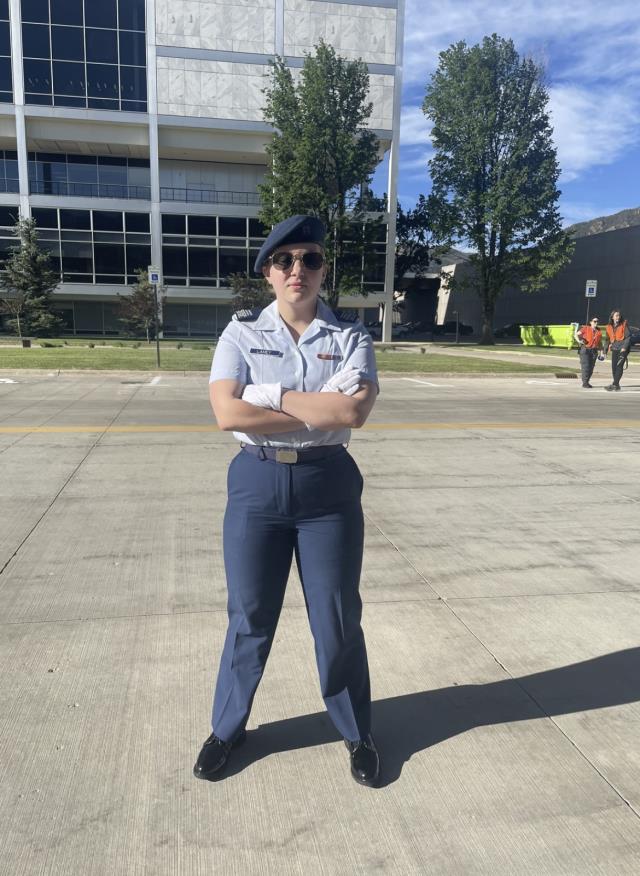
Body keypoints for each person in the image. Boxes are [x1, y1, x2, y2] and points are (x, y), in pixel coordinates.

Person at [193, 215, 381, 787]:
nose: (297, 269)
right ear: (269, 273)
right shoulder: (240, 333)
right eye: (285, 260)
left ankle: (356, 732)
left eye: (309, 259)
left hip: (328, 489)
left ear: (323, 270)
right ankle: (227, 728)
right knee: (249, 614)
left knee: (337, 617)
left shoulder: (351, 335)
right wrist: (308, 402)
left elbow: (350, 413)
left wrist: (266, 394)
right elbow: (228, 413)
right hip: (257, 484)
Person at [604, 309, 631, 391]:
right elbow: (607, 340)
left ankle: (615, 384)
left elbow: (628, 337)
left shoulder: (623, 324)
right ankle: (617, 385)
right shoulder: (608, 327)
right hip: (615, 348)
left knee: (619, 366)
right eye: (616, 315)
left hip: (623, 349)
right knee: (614, 368)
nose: (618, 317)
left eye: (619, 315)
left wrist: (624, 348)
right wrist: (605, 351)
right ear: (612, 317)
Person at [574, 317, 602, 388]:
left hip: (594, 351)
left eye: (597, 321)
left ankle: (587, 381)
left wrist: (601, 352)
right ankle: (585, 382)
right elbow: (576, 334)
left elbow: (600, 343)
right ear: (591, 322)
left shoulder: (599, 331)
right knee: (586, 366)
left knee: (591, 367)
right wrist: (579, 341)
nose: (596, 323)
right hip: (585, 350)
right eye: (595, 321)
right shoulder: (586, 328)